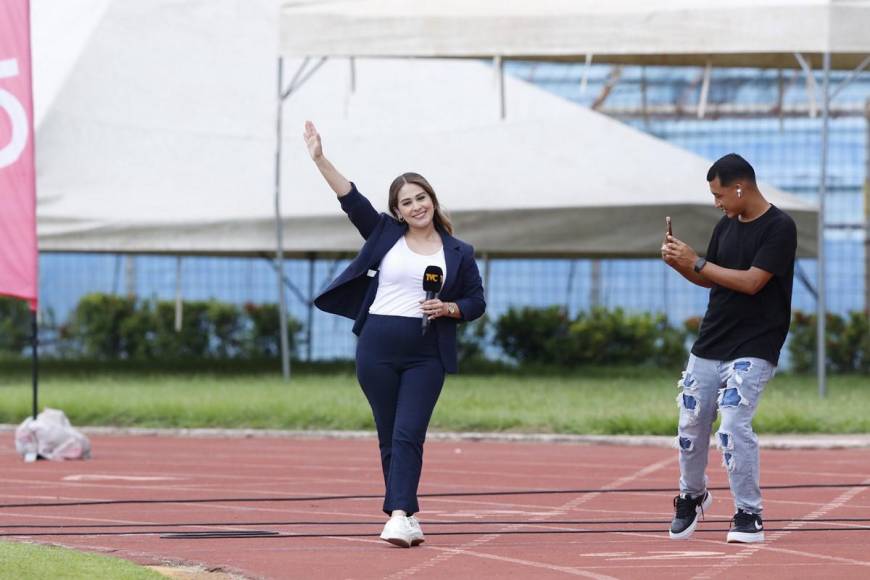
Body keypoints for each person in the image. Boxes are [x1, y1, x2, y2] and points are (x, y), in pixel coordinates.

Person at [303, 121, 486, 548]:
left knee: (409, 432)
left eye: (421, 197)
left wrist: (450, 307)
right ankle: (403, 511)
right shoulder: (384, 233)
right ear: (397, 211)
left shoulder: (459, 252)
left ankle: (399, 514)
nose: (416, 206)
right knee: (389, 434)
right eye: (407, 202)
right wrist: (319, 158)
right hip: (377, 347)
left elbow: (477, 301)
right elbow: (351, 199)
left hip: (427, 352)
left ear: (432, 201)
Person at [661, 153, 797, 544]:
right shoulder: (726, 225)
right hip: (711, 342)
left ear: (740, 187)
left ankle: (748, 513)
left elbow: (753, 282)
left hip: (754, 344)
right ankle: (692, 494)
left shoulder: (779, 227)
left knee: (734, 425)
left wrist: (698, 263)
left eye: (719, 194)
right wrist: (682, 265)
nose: (717, 202)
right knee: (690, 426)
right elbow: (714, 280)